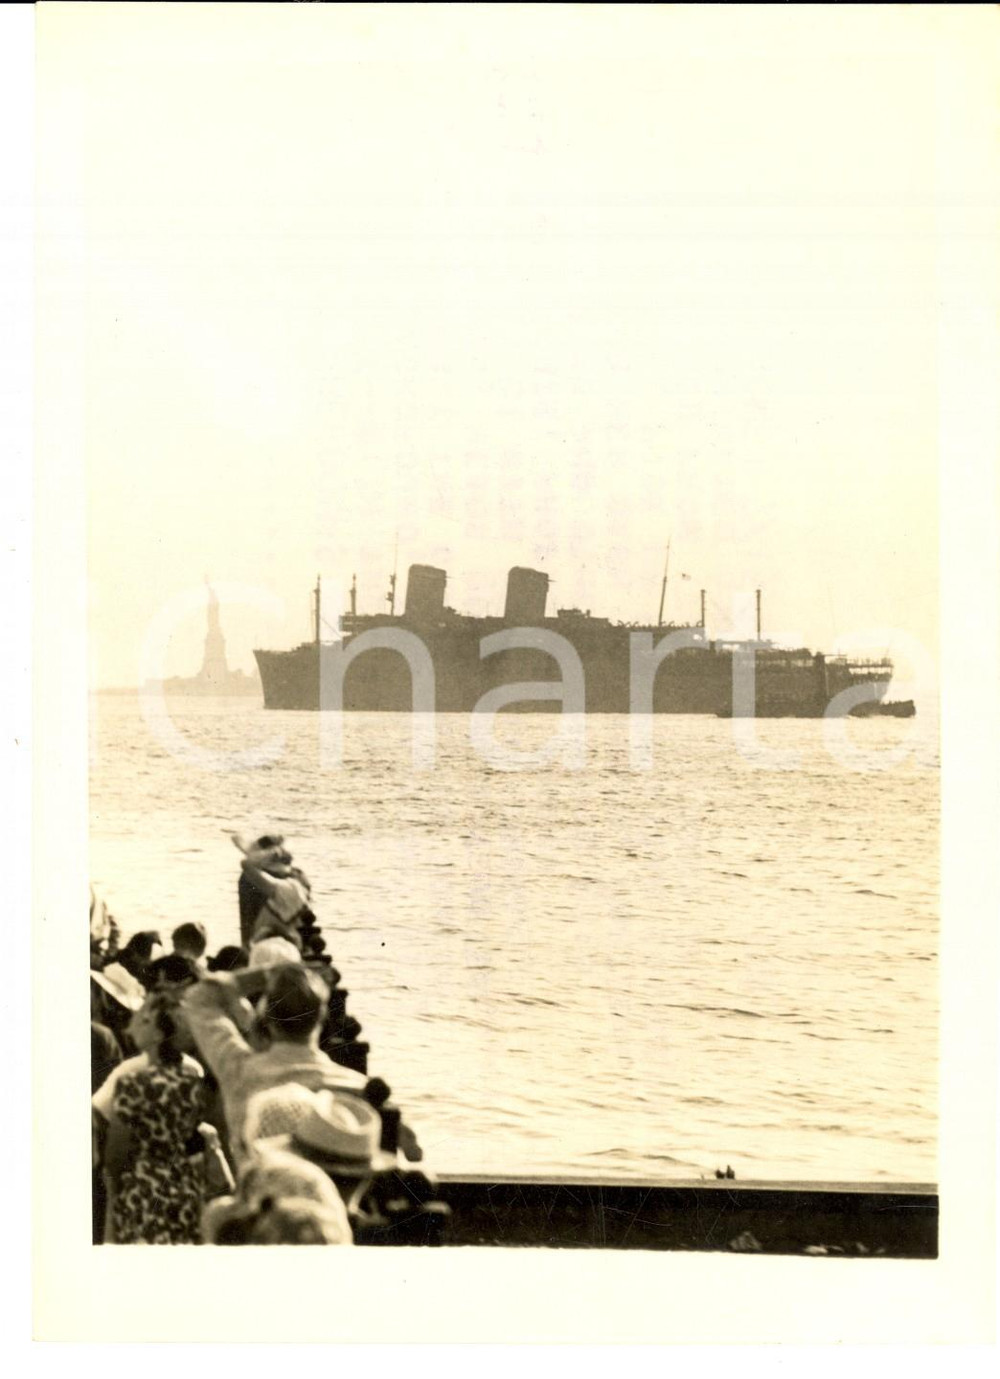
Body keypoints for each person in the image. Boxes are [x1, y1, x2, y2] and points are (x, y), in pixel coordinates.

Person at [181, 961, 368, 1166]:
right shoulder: (355, 1085)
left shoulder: (238, 1069)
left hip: (257, 1191)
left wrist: (265, 974)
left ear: (266, 1020)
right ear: (321, 1018)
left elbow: (198, 998)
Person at [100, 991, 207, 1244]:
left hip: (143, 1187)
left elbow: (116, 1153)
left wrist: (114, 1188)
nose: (136, 1023)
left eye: (146, 1021)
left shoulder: (132, 1081)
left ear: (159, 1035)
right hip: (185, 1183)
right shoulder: (194, 1080)